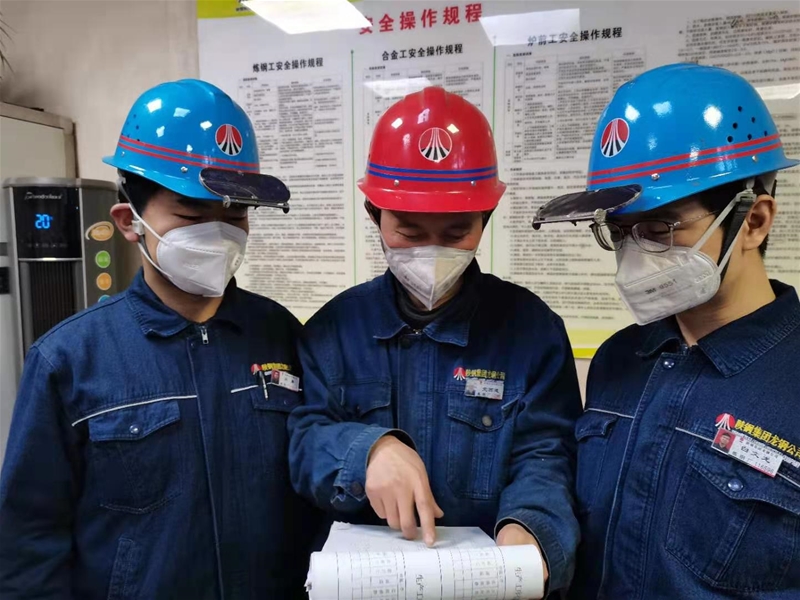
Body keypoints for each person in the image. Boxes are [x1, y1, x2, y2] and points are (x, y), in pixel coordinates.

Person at [0, 79, 322, 599]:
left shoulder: (279, 334)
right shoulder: (69, 360)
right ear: (129, 221)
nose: (220, 234)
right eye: (192, 215)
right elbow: (28, 544)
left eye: (235, 215)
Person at [289, 86, 583, 595]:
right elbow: (304, 439)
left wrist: (528, 530)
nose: (430, 251)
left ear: (485, 219)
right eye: (408, 232)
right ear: (374, 214)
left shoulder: (532, 331)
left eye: (454, 234)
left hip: (482, 584)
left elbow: (546, 453)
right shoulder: (332, 330)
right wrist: (366, 452)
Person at [533, 63, 800, 598]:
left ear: (753, 221)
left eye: (659, 229)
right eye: (620, 232)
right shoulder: (617, 361)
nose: (635, 256)